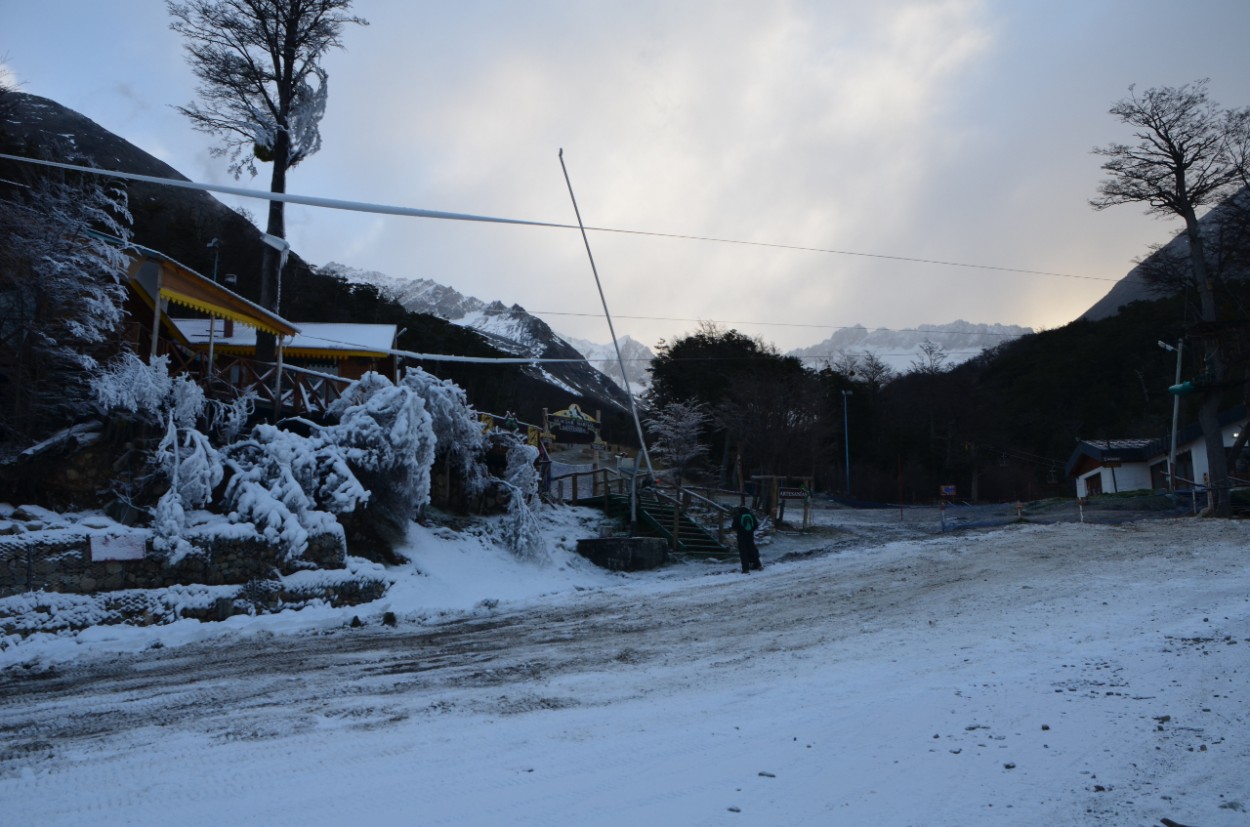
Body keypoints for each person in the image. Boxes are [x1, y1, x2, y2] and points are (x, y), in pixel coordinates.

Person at [733, 506, 762, 573]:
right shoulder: (751, 516)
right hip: (750, 535)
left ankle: (745, 568)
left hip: (741, 536)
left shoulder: (737, 517)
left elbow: (734, 527)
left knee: (743, 552)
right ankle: (757, 565)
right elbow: (755, 526)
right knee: (753, 550)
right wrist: (750, 530)